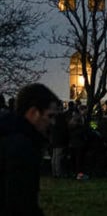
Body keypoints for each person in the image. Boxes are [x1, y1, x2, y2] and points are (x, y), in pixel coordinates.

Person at [0, 83, 61, 216]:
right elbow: (21, 202)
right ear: (33, 113)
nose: (53, 123)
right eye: (50, 116)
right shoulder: (22, 147)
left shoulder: (9, 135)